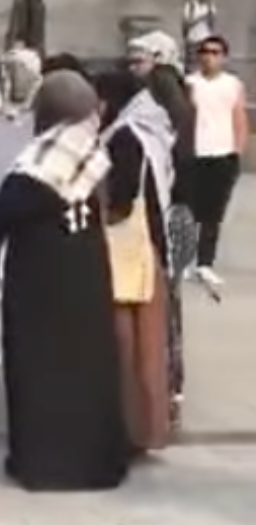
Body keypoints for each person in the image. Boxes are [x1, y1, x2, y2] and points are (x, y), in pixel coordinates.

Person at [0, 69, 128, 491]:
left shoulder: (42, 160)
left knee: (41, 366)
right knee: (88, 366)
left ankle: (44, 464)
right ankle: (96, 463)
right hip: (86, 274)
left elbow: (0, 217)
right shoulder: (94, 153)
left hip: (41, 281)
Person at [96, 68, 175, 455]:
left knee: (128, 350)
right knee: (149, 349)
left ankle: (131, 432)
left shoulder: (125, 138)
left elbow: (121, 200)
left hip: (127, 257)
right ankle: (147, 429)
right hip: (149, 253)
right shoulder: (146, 130)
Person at [126, 32, 196, 426]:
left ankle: (165, 386)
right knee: (169, 300)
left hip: (165, 212)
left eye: (140, 60)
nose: (134, 67)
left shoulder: (158, 100)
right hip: (178, 212)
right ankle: (171, 385)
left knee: (162, 300)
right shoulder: (175, 99)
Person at [185, 35, 248, 286]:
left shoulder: (232, 84)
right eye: (205, 52)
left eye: (215, 52)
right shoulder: (190, 83)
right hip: (194, 154)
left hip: (222, 155)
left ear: (224, 57)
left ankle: (205, 263)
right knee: (189, 212)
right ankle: (185, 261)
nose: (209, 57)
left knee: (213, 214)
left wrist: (237, 151)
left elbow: (239, 118)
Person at [182, 0, 216, 68]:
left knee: (205, 62)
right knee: (191, 63)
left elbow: (212, 25)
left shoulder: (210, 7)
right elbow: (187, 23)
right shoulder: (190, 7)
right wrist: (201, 18)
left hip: (205, 38)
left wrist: (210, 18)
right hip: (193, 39)